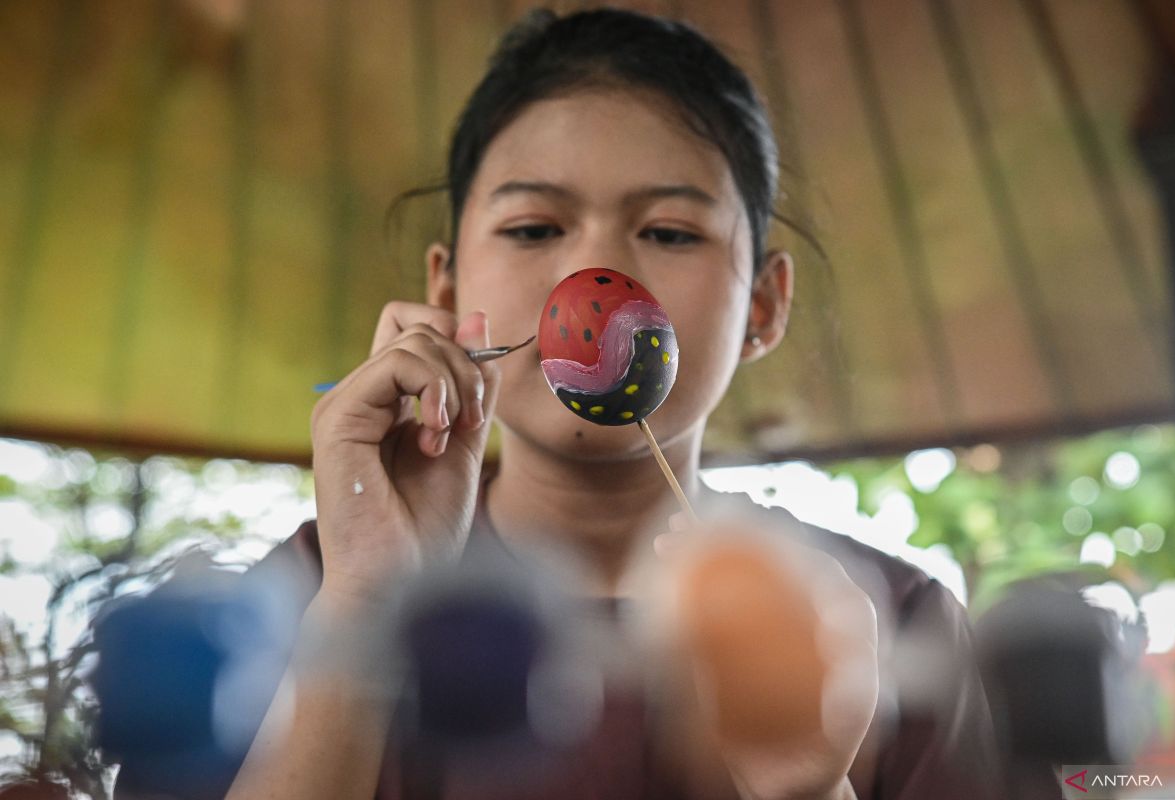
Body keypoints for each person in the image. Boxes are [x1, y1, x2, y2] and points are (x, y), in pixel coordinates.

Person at [107, 7, 1003, 799]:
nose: (593, 277)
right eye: (534, 227)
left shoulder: (886, 621)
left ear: (764, 306)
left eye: (669, 232)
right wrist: (370, 605)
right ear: (447, 288)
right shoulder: (286, 606)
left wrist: (806, 790)